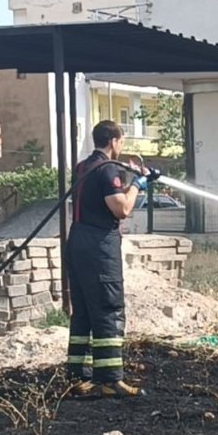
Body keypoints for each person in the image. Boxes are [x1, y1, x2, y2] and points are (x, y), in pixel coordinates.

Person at [64, 120, 158, 397]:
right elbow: (122, 208)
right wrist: (139, 184)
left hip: (77, 241)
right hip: (98, 246)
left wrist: (133, 178)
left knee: (82, 311)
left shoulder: (84, 167)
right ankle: (110, 379)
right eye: (122, 141)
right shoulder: (108, 170)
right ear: (115, 141)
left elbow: (100, 196)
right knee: (107, 308)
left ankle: (77, 376)